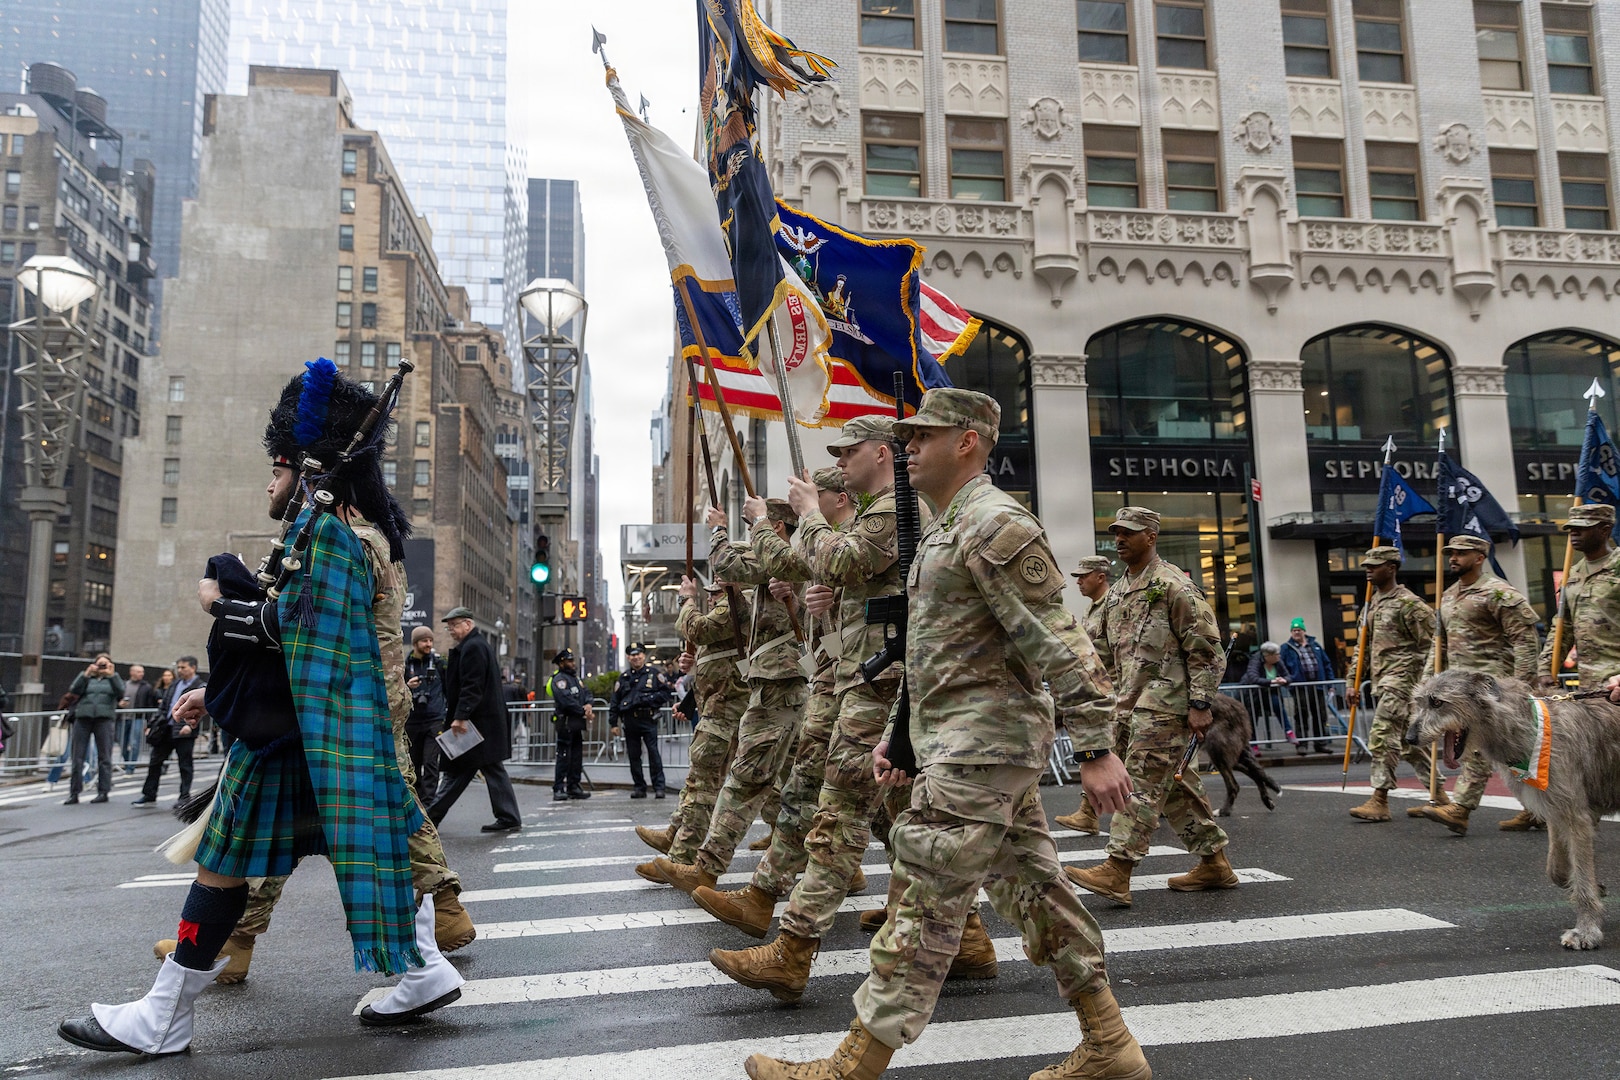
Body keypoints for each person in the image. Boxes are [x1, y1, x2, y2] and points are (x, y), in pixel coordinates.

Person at [57, 359, 460, 1057]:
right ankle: (422, 967)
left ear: (306, 468)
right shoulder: (325, 533)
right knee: (375, 848)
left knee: (228, 861)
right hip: (318, 735)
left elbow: (303, 631)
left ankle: (164, 1014)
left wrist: (227, 603)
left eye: (276, 468)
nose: (267, 483)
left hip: (305, 733)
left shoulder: (336, 537)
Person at [745, 388, 1148, 1080]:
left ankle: (854, 1065)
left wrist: (1096, 745)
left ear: (968, 441)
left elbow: (1060, 641)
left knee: (924, 898)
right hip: (961, 744)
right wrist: (902, 739)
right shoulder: (942, 528)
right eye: (905, 438)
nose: (907, 448)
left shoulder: (995, 524)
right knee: (1035, 890)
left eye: (922, 437)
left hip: (981, 748)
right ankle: (1110, 1043)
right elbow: (927, 651)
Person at [703, 453, 915, 991]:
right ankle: (765, 897)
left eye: (848, 455)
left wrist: (759, 525)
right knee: (835, 794)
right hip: (849, 677)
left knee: (846, 806)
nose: (841, 463)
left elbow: (824, 562)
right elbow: (824, 571)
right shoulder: (871, 520)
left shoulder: (893, 513)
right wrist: (825, 597)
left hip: (879, 682)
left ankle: (791, 942)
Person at [1068, 506, 1236, 909]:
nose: (1120, 539)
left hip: (1167, 705)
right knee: (1177, 789)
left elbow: (1207, 650)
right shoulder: (1120, 591)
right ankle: (1214, 861)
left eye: (1130, 532)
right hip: (1128, 704)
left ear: (1152, 536)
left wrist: (1200, 704)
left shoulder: (1173, 584)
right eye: (1117, 533)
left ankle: (1117, 868)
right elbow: (1106, 651)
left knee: (1140, 781)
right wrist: (1101, 698)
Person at [643, 500, 809, 894]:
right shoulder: (772, 573)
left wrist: (718, 529)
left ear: (779, 528)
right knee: (775, 783)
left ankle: (698, 861)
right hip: (766, 686)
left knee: (753, 781)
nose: (720, 589)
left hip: (780, 685)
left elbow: (728, 568)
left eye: (760, 524)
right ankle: (697, 857)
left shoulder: (785, 560)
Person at [1416, 535, 1541, 835]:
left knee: (1482, 746)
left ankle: (1461, 808)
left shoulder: (1498, 592)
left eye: (1461, 553)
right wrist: (1427, 680)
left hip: (1493, 689)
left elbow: (1525, 639)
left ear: (1480, 557)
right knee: (1511, 750)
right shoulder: (1447, 596)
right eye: (1451, 553)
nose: (1453, 558)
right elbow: (1440, 645)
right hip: (1459, 689)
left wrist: (1522, 685)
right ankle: (1534, 809)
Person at [636, 577, 751, 859]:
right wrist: (695, 668)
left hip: (727, 710)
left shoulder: (739, 604)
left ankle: (683, 854)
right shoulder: (729, 610)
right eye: (708, 594)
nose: (711, 599)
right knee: (700, 779)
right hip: (717, 706)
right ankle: (675, 835)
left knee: (706, 783)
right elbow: (718, 665)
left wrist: (687, 599)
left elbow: (698, 628)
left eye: (715, 593)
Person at [1345, 546, 1441, 822]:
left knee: (1381, 734)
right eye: (1366, 565)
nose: (1368, 569)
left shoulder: (1409, 604)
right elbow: (1361, 648)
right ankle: (1440, 795)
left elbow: (1434, 643)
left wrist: (1424, 680)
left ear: (1392, 568)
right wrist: (1353, 681)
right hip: (1382, 679)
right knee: (1408, 743)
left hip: (1402, 681)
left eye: (1375, 565)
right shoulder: (1371, 603)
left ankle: (1380, 798)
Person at [428, 606, 522, 832]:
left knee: (459, 771)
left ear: (468, 624)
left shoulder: (473, 647)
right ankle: (508, 816)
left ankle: (430, 819)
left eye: (454, 625)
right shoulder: (474, 646)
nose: (450, 629)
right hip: (482, 724)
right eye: (449, 626)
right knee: (483, 769)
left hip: (476, 724)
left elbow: (472, 686)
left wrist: (460, 716)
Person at [1054, 554, 1118, 834]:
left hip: (1116, 694)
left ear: (1100, 577)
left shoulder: (1113, 606)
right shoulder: (1092, 609)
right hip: (1102, 691)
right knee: (1099, 753)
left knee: (1106, 755)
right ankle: (1088, 813)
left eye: (1083, 576)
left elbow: (1122, 652)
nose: (1078, 581)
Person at [1546, 504, 1620, 690]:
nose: (1574, 534)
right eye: (1571, 529)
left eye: (1582, 529)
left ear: (1605, 530)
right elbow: (1564, 626)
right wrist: (1545, 669)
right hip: (1590, 686)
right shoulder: (1573, 574)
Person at [132, 657, 204, 805]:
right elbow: (164, 706)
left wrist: (189, 726)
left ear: (193, 668)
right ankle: (149, 794)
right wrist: (152, 724)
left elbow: (204, 710)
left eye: (183, 667)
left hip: (184, 730)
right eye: (178, 667)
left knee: (185, 764)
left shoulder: (201, 686)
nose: (180, 670)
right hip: (166, 728)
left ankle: (184, 796)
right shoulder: (175, 684)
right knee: (155, 762)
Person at [608, 644, 674, 798]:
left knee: (653, 754)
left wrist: (647, 699)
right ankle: (639, 787)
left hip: (648, 720)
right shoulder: (624, 678)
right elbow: (614, 701)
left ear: (643, 656)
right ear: (628, 658)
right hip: (630, 722)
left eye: (639, 654)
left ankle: (659, 787)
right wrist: (613, 723)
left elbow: (666, 694)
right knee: (634, 755)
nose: (636, 657)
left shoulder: (654, 674)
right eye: (632, 655)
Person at [64, 654, 124, 804]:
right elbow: (74, 690)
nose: (102, 667)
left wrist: (112, 675)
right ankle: (74, 792)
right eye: (99, 664)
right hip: (83, 718)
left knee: (104, 757)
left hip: (104, 719)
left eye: (105, 664)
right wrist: (85, 674)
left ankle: (103, 791)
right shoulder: (87, 677)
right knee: (77, 757)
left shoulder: (113, 678)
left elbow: (121, 692)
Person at [405, 626, 448, 804]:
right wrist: (408, 685)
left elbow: (448, 688)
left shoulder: (439, 663)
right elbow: (396, 689)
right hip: (413, 721)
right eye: (424, 641)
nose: (428, 644)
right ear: (415, 643)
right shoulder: (405, 665)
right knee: (414, 763)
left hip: (435, 720)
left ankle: (429, 802)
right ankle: (418, 801)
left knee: (431, 762)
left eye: (430, 640)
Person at [1280, 617, 1336, 752]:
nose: (1296, 632)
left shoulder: (1315, 645)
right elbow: (1281, 666)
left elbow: (1326, 664)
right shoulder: (1286, 648)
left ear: (1304, 631)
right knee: (1301, 715)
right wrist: (1289, 679)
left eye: (1298, 630)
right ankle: (1302, 744)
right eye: (1294, 630)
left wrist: (1330, 683)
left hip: (1318, 685)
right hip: (1299, 687)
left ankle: (1320, 743)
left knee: (1320, 715)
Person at [547, 648, 593, 801]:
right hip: (566, 722)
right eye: (569, 661)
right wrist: (582, 710)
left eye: (573, 660)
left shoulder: (575, 679)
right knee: (564, 756)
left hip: (577, 723)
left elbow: (587, 693)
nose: (573, 663)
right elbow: (565, 700)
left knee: (576, 756)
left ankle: (574, 786)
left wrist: (588, 704)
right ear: (561, 663)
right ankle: (559, 787)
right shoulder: (560, 680)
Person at [1240, 642, 1295, 744]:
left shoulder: (1278, 661)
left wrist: (1284, 680)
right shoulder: (1255, 660)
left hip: (1269, 692)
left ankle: (1289, 732)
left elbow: (1287, 675)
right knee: (1252, 718)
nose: (1279, 656)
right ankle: (1253, 744)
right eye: (1277, 654)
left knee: (1278, 707)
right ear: (1268, 656)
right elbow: (1253, 677)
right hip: (1253, 694)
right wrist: (1272, 681)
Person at [117, 664, 157, 774]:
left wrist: (149, 723)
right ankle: (127, 762)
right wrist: (119, 704)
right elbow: (116, 700)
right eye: (139, 672)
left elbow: (149, 705)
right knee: (122, 743)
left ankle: (130, 768)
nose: (142, 674)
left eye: (142, 672)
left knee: (134, 743)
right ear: (132, 672)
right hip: (123, 718)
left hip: (138, 718)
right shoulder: (123, 685)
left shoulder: (146, 687)